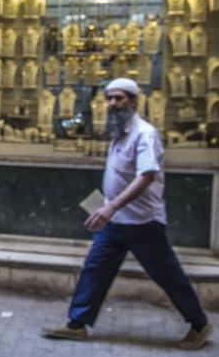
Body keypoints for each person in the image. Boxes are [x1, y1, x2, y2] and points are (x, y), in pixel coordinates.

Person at [42, 78, 213, 350]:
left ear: (133, 101)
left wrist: (111, 206)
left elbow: (146, 175)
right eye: (109, 98)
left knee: (168, 275)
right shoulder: (119, 133)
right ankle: (77, 324)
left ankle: (199, 324)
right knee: (95, 270)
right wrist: (107, 206)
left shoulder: (145, 134)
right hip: (115, 222)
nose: (112, 103)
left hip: (143, 222)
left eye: (119, 98)